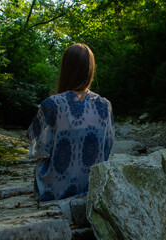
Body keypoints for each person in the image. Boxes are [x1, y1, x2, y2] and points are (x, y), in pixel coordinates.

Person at [27, 43, 115, 201]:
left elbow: (38, 147)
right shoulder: (104, 105)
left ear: (65, 69)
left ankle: (42, 190)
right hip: (91, 184)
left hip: (55, 189)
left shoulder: (51, 104)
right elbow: (107, 147)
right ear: (90, 70)